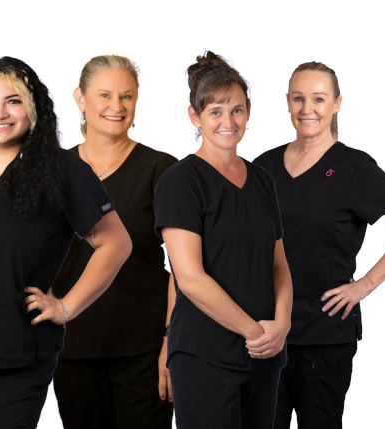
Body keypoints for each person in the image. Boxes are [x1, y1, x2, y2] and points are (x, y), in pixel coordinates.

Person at [0, 56, 131, 429]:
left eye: (13, 100)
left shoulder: (62, 171)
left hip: (16, 353)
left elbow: (116, 243)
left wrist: (65, 309)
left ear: (34, 109)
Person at [256, 61, 385, 429]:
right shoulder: (265, 166)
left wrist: (365, 285)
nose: (308, 109)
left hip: (323, 334)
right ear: (287, 102)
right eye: (299, 98)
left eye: (319, 99)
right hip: (266, 333)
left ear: (337, 103)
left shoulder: (354, 168)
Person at [155, 51, 292, 429]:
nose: (227, 121)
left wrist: (281, 325)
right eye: (215, 111)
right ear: (194, 116)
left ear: (249, 111)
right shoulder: (181, 181)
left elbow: (279, 264)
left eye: (236, 110)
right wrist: (255, 331)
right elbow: (190, 278)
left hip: (264, 355)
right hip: (205, 355)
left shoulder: (263, 180)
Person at [51, 55, 180, 429]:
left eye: (127, 96)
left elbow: (184, 268)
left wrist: (172, 342)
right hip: (70, 347)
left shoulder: (163, 170)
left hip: (144, 348)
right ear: (80, 98)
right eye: (104, 94)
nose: (116, 106)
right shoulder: (52, 171)